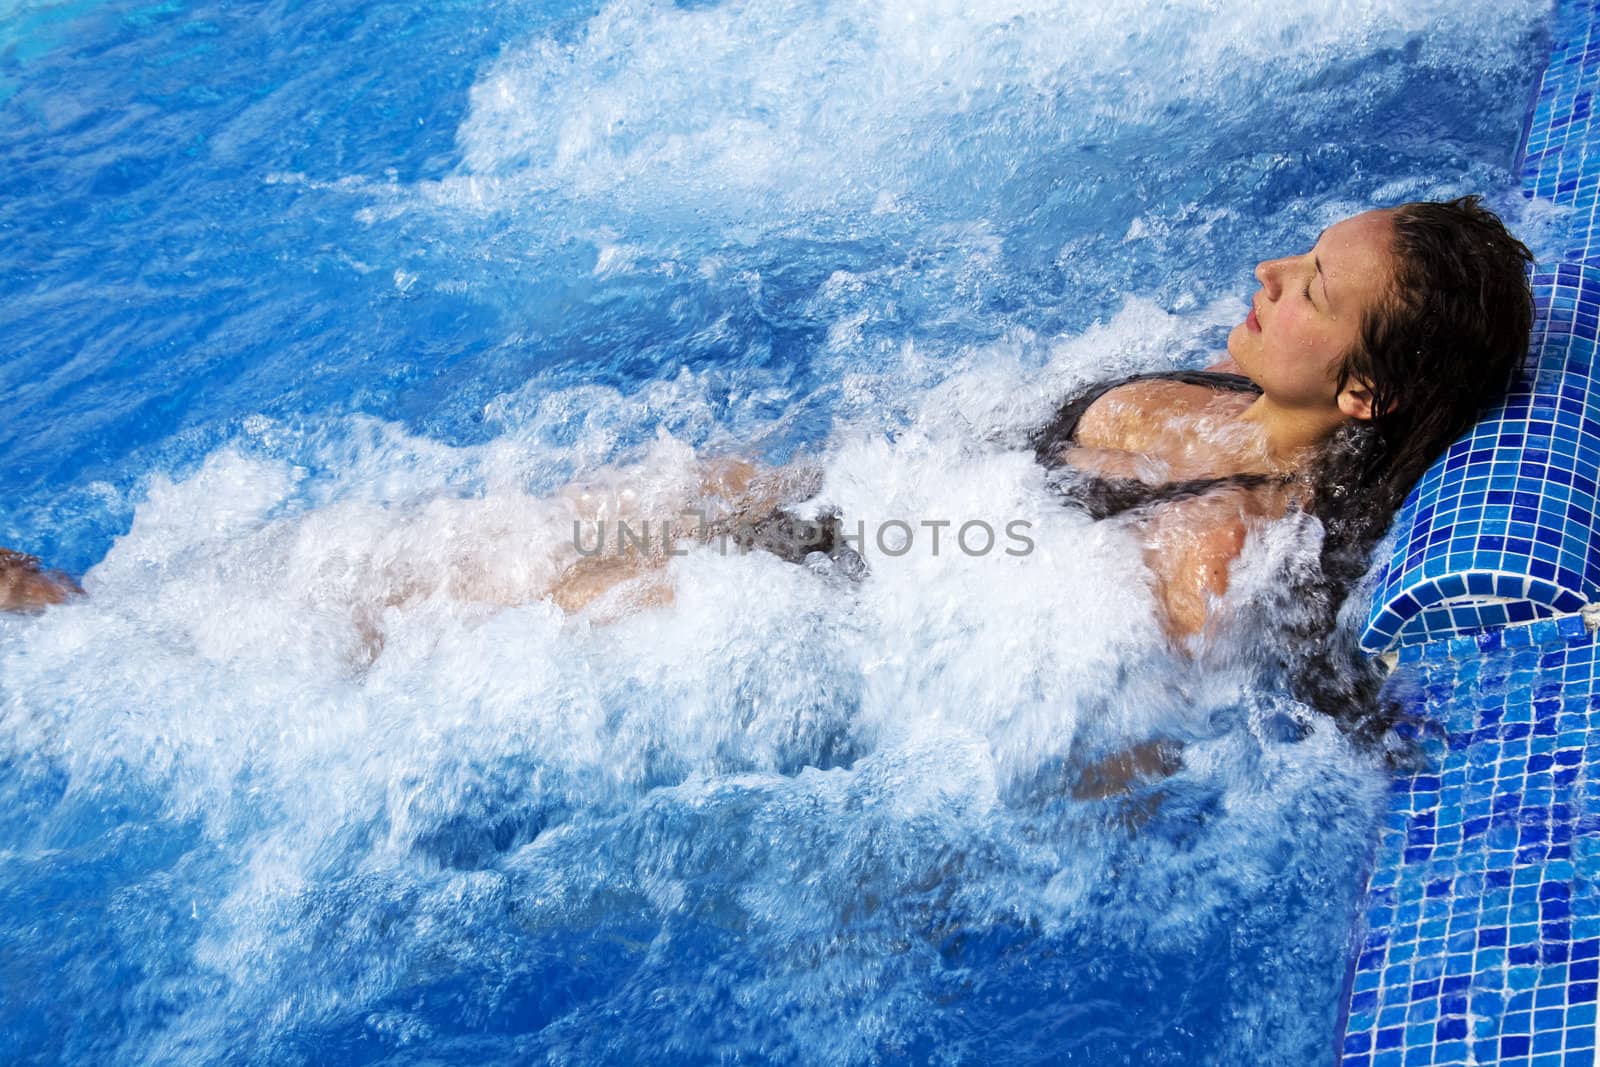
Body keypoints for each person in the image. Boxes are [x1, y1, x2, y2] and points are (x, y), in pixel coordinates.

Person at [0, 197, 1535, 742]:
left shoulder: (1235, 541)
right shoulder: (1209, 387)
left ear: (1361, 391)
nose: (1270, 273)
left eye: (1310, 292)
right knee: (521, 519)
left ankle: (94, 664)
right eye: (1303, 256)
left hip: (861, 614)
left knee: (549, 606)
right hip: (846, 506)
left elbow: (1090, 709)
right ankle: (112, 615)